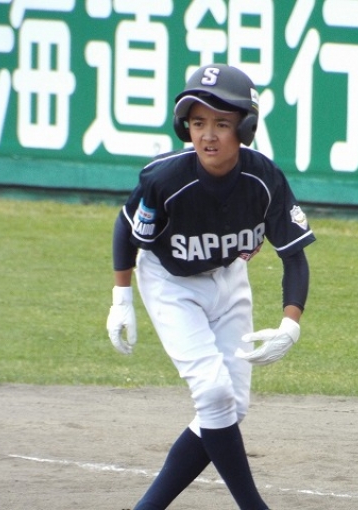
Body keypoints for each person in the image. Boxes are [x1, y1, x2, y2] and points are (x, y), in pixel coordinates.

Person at [105, 63, 316, 510]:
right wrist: (121, 298)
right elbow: (127, 228)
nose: (208, 135)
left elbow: (294, 255)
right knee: (214, 393)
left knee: (230, 406)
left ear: (245, 127)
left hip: (229, 279)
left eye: (221, 123)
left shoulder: (264, 179)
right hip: (170, 283)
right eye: (198, 122)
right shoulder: (164, 178)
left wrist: (290, 324)